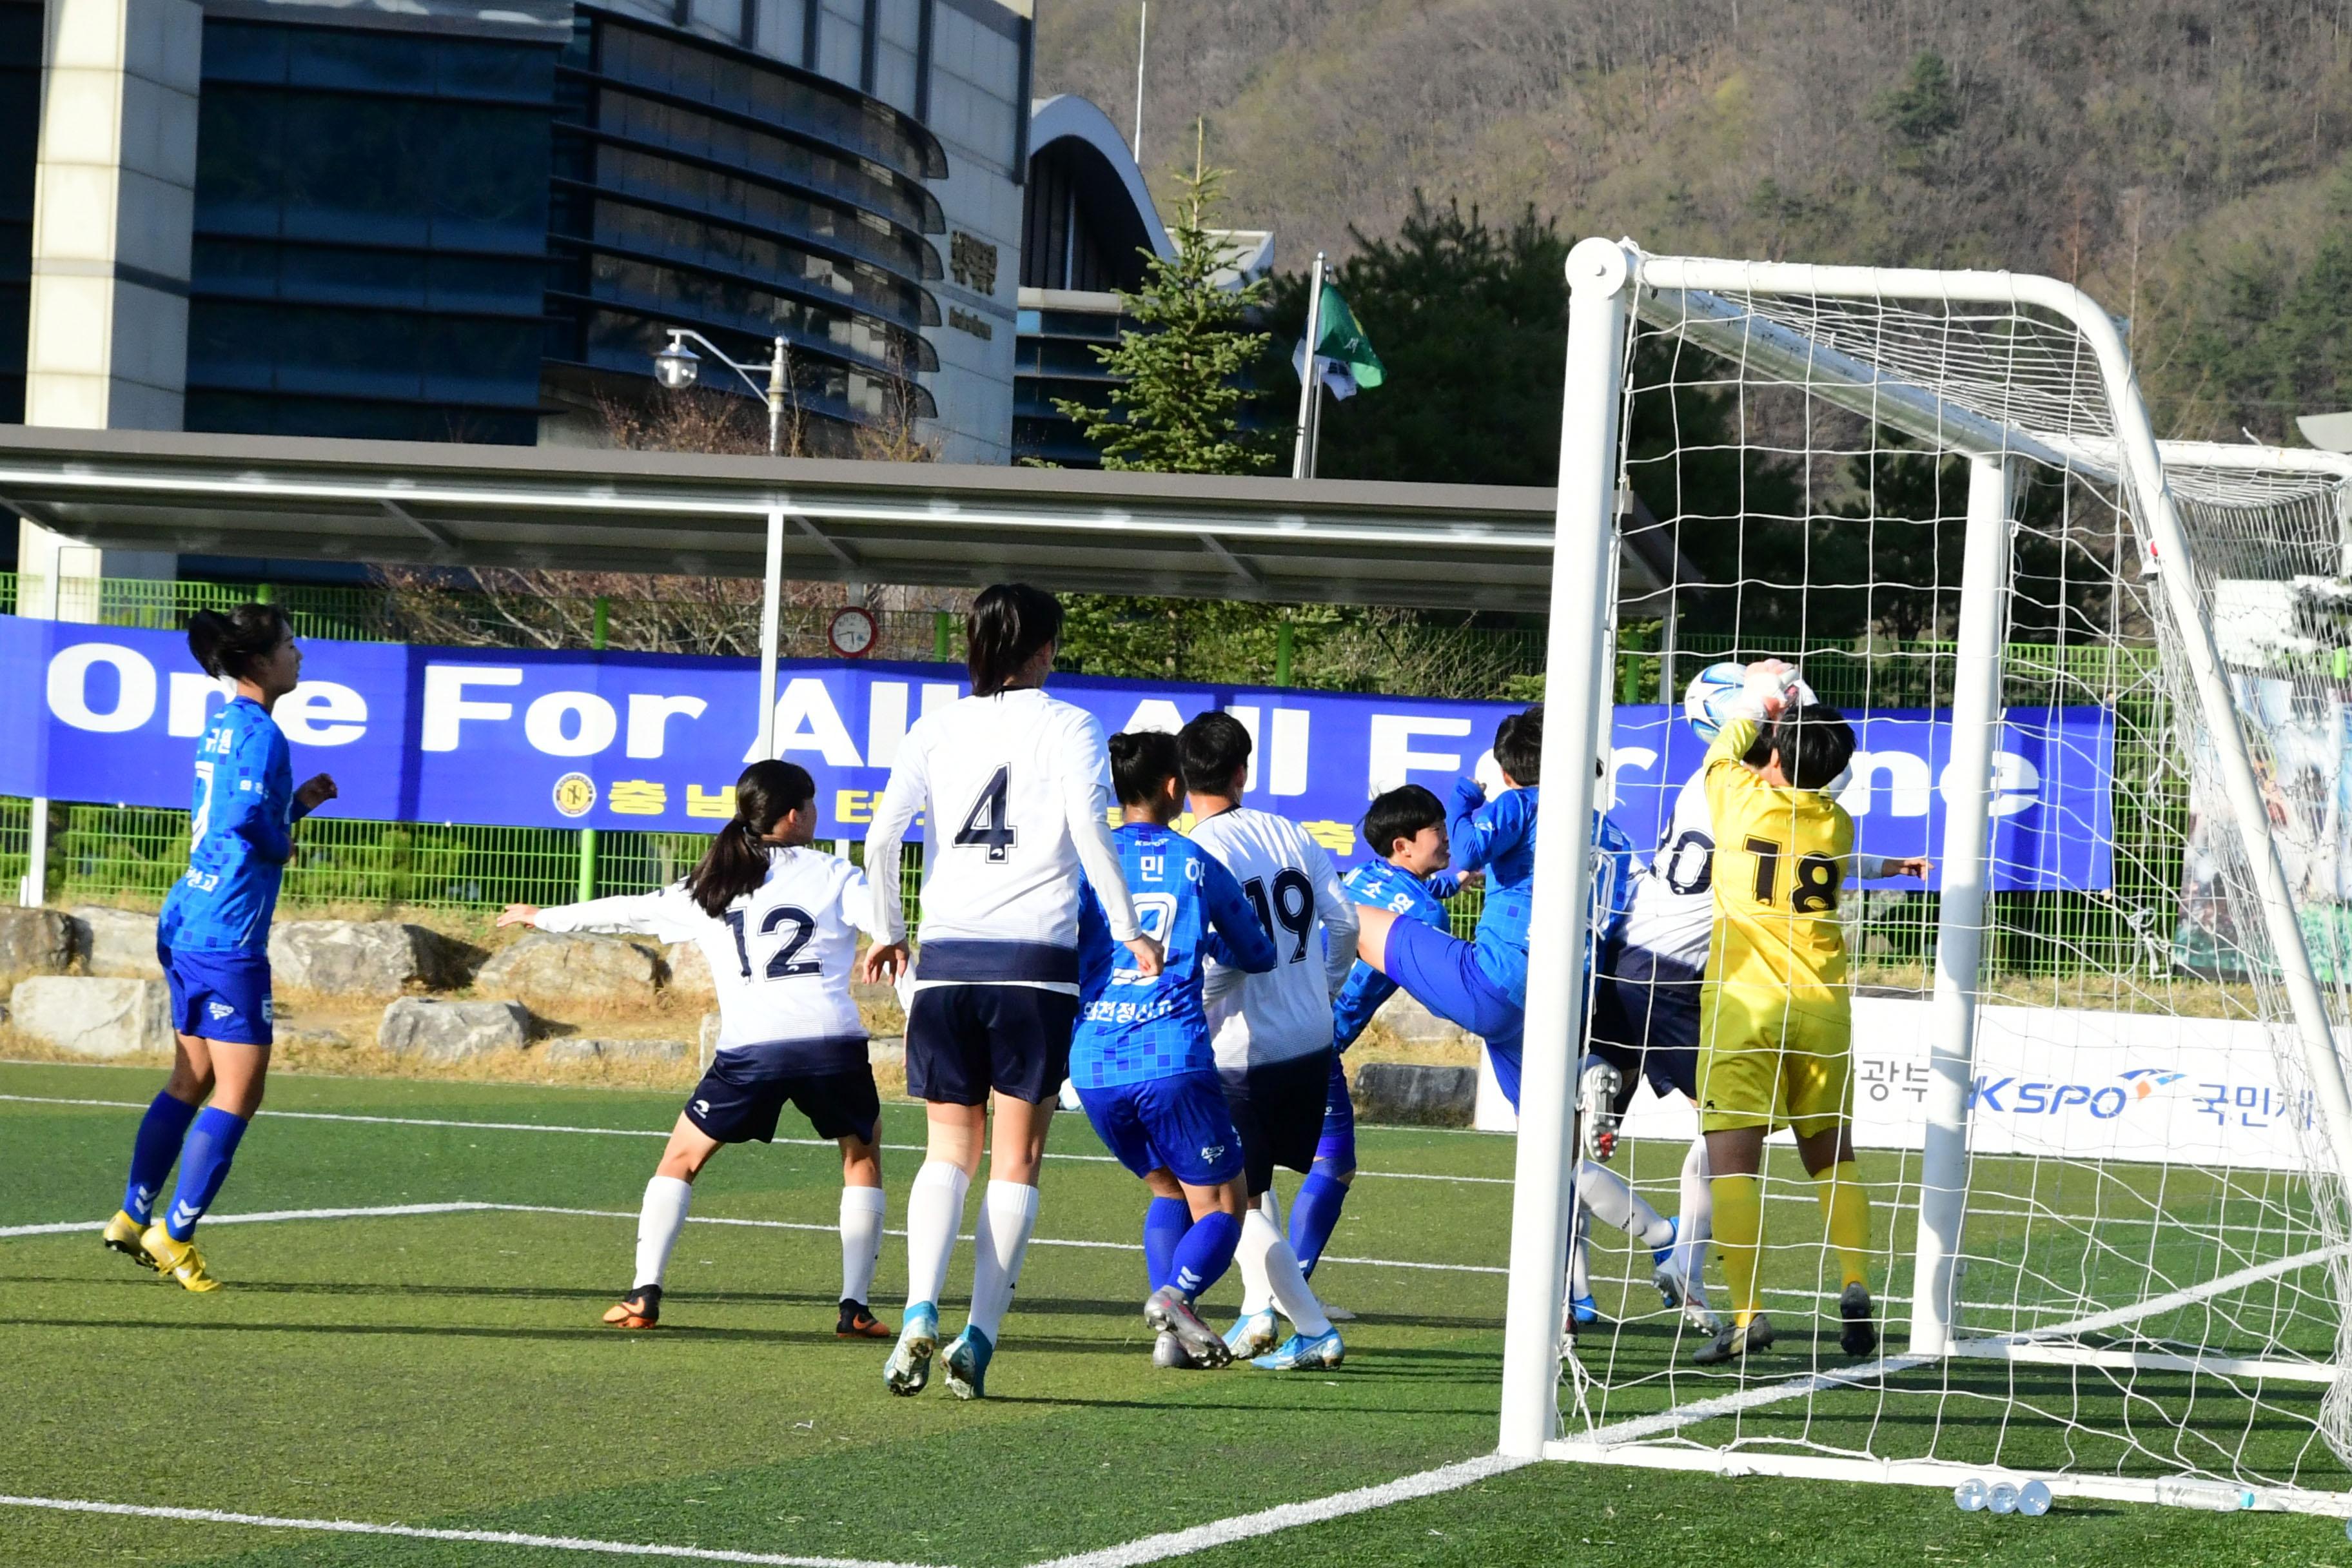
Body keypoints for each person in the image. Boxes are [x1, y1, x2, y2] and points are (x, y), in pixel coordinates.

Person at [860, 583, 1162, 1400]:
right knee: (1017, 1155)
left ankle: (920, 1304)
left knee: (946, 1150)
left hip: (948, 965)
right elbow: (1092, 829)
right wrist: (1130, 927)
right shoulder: (1070, 724)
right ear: (1045, 649)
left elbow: (882, 835)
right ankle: (981, 1335)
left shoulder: (934, 725)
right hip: (1033, 966)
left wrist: (889, 929)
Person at [497, 761, 891, 1337]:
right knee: (861, 1160)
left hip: (750, 1050)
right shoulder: (836, 873)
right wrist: (893, 938)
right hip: (831, 1045)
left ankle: (643, 1294)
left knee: (680, 1161)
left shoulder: (709, 883)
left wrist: (546, 918)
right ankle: (854, 1308)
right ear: (792, 815)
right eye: (811, 803)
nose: (815, 813)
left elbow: (627, 909)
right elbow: (889, 925)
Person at [1690, 662, 1928, 1366]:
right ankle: (1855, 1282)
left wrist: (1766, 695)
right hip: (1822, 1007)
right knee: (1832, 1155)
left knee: (1732, 1160)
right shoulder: (1837, 822)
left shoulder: (1736, 800)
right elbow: (1841, 862)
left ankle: (1747, 1312)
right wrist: (1895, 869)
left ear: (1772, 755)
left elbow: (1722, 743)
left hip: (1744, 1007)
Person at [103, 603, 337, 1291]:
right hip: (226, 932)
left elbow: (234, 810)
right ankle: (173, 1234)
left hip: (187, 917)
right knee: (241, 1088)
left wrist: (295, 806)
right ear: (261, 662)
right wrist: (282, 839)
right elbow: (242, 819)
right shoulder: (261, 730)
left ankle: (130, 1212)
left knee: (192, 1077)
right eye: (291, 644)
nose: (301, 654)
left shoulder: (226, 721)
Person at [1070, 730, 1279, 1370]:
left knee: (1167, 1191)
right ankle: (1176, 1298)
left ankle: (1169, 1338)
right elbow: (1259, 952)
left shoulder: (1085, 862)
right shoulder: (1195, 861)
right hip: (1171, 1058)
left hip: (1095, 1064)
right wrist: (1206, 946)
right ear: (1171, 787)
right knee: (1225, 1203)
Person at [1180, 710, 1358, 1371]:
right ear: (1242, 770)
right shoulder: (1289, 830)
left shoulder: (1198, 851)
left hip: (1242, 1051)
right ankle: (1259, 1307)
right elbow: (1341, 923)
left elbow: (1218, 963)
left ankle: (1309, 1326)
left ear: (1182, 777)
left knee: (1228, 1197)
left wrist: (1187, 1010)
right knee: (1253, 1189)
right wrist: (1323, 989)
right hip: (1310, 1038)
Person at [1300, 785, 1462, 1279]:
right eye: (1436, 829)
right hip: (1319, 1042)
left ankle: (1271, 1293)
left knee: (1254, 1166)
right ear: (1403, 845)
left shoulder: (1366, 874)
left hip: (1282, 1020)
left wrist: (1457, 880)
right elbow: (1443, 987)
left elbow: (1408, 891)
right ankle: (1287, 1291)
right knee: (1332, 1166)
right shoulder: (1426, 915)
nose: (1446, 836)